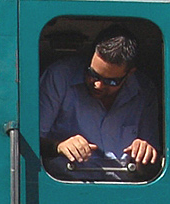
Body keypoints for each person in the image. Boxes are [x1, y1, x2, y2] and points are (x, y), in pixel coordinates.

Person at [38, 25, 160, 181]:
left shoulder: (144, 90)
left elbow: (151, 165)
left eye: (111, 82)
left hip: (125, 192)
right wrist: (59, 146)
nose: (98, 85)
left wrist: (144, 153)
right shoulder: (60, 77)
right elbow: (31, 142)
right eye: (93, 74)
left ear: (130, 74)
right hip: (65, 185)